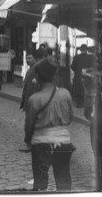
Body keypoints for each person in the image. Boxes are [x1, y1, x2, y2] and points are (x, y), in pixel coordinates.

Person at [24, 56, 76, 191]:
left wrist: (28, 141)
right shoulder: (66, 94)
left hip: (41, 146)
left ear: (38, 77)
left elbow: (29, 126)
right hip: (64, 144)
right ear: (54, 76)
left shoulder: (34, 99)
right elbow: (70, 118)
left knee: (40, 185)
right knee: (64, 183)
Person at [82, 67, 102, 191]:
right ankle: (100, 184)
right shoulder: (93, 96)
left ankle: (101, 186)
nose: (101, 81)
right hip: (95, 128)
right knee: (97, 156)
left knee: (98, 156)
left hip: (99, 129)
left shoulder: (101, 97)